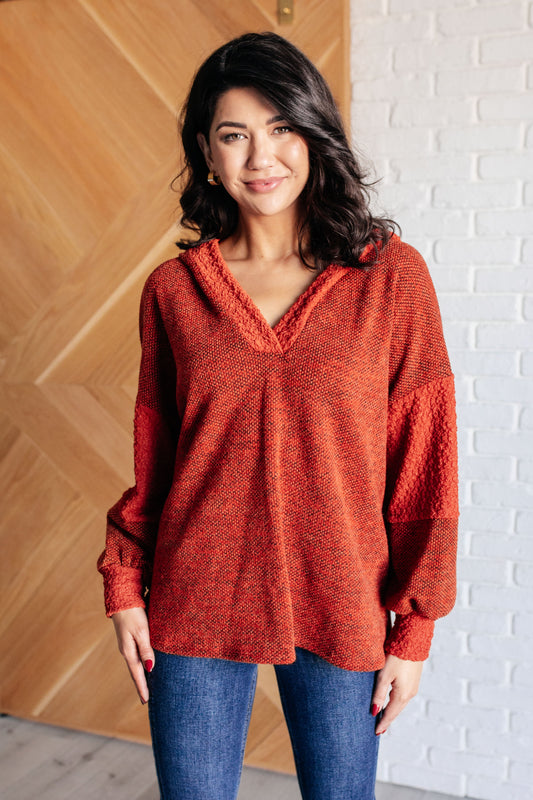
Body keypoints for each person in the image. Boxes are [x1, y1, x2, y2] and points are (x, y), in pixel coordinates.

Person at [97, 31, 459, 800]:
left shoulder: (390, 278)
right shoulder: (173, 292)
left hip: (344, 598)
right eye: (234, 135)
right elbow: (158, 460)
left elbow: (424, 465)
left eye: (281, 128)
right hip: (195, 596)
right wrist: (126, 584)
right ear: (207, 152)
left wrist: (414, 627)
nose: (260, 157)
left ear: (313, 132)